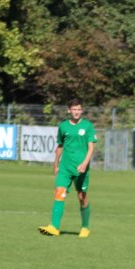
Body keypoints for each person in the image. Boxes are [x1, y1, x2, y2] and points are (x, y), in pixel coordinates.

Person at [38, 99, 96, 237]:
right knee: (59, 193)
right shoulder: (63, 126)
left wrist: (85, 163)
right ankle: (54, 227)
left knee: (82, 197)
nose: (76, 112)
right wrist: (56, 164)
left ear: (82, 110)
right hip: (65, 168)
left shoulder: (87, 126)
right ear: (69, 110)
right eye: (74, 109)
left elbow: (91, 147)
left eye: (79, 109)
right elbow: (60, 146)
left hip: (81, 169)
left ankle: (85, 227)